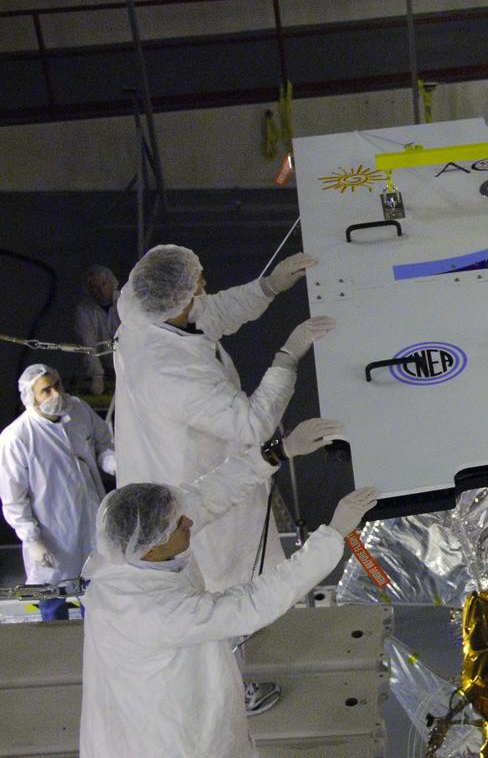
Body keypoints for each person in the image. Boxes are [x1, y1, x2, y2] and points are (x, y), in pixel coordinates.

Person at [113, 243, 332, 711]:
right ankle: (228, 693)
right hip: (190, 481)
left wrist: (267, 287)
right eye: (198, 285)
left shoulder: (143, 314)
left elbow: (208, 313)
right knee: (214, 597)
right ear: (181, 298)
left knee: (205, 592)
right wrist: (288, 357)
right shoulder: (170, 370)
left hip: (171, 475)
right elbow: (252, 424)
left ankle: (222, 680)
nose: (205, 288)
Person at [79, 417, 378, 758]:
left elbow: (206, 496)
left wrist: (277, 451)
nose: (189, 521)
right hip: (168, 740)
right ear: (152, 547)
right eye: (180, 525)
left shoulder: (127, 548)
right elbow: (252, 604)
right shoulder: (150, 611)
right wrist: (332, 535)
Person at [0, 364, 115, 620]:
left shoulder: (78, 409)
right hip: (53, 534)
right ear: (32, 398)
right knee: (53, 598)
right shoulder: (17, 438)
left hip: (89, 520)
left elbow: (102, 441)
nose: (56, 395)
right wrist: (32, 539)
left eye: (57, 386)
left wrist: (110, 460)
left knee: (96, 595)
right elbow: (13, 498)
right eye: (46, 391)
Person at [74, 265, 121, 397]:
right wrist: (97, 376)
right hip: (105, 368)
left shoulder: (125, 302)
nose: (101, 290)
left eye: (104, 284)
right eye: (95, 287)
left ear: (112, 282)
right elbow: (88, 344)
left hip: (133, 365)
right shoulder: (84, 311)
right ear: (89, 290)